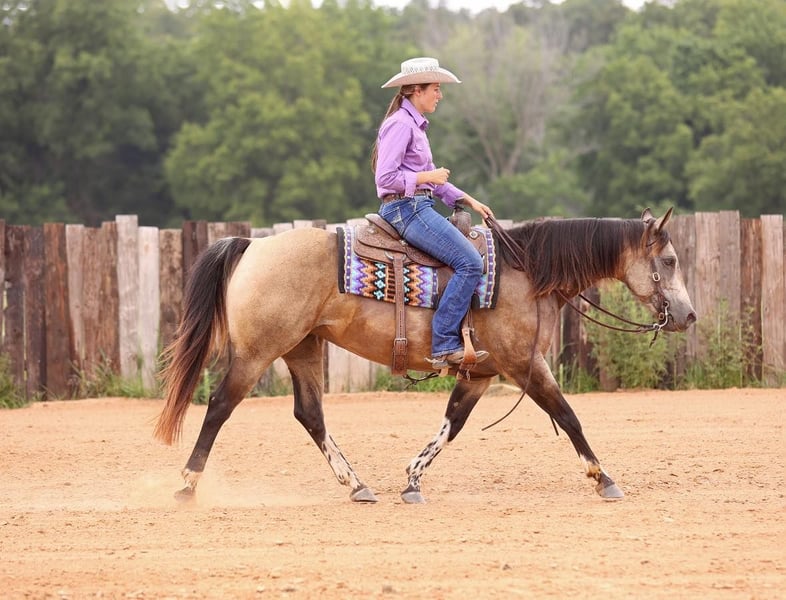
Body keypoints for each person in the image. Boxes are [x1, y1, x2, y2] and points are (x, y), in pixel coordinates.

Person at [372, 57, 495, 369]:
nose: (440, 95)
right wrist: (427, 176)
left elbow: (435, 184)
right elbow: (385, 178)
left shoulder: (414, 126)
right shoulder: (401, 125)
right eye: (436, 89)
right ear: (417, 90)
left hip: (416, 206)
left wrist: (470, 201)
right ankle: (444, 344)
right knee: (470, 263)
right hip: (406, 209)